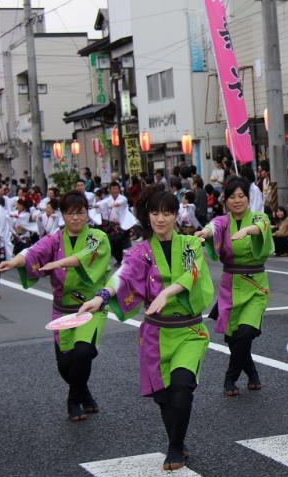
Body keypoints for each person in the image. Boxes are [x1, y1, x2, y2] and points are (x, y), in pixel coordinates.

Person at [79, 185, 214, 471]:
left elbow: (190, 272)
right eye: (155, 212)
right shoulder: (140, 252)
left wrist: (166, 293)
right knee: (164, 396)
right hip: (155, 334)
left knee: (181, 386)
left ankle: (175, 446)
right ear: (147, 215)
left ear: (177, 215)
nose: (161, 218)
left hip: (189, 330)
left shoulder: (190, 245)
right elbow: (123, 275)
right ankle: (175, 439)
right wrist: (101, 297)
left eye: (167, 212)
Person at [0, 191, 111, 422]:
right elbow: (33, 252)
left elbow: (83, 256)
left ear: (88, 213)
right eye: (70, 213)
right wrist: (13, 262)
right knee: (65, 365)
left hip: (90, 307)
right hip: (63, 309)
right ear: (63, 215)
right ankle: (84, 393)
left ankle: (73, 400)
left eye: (80, 213)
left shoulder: (97, 237)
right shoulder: (55, 239)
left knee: (83, 352)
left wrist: (56, 263)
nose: (76, 218)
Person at [195, 176, 274, 397]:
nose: (237, 201)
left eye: (241, 196)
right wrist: (205, 233)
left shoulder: (259, 216)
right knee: (233, 338)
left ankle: (230, 377)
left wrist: (248, 231)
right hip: (230, 286)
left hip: (255, 285)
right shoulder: (223, 221)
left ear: (248, 198)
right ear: (226, 200)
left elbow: (262, 227)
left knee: (245, 333)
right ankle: (252, 372)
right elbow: (213, 227)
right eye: (232, 197)